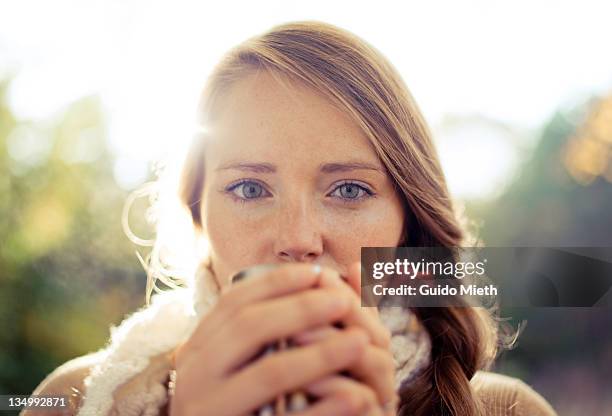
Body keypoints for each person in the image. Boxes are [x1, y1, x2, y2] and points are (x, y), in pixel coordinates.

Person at [24, 20, 558, 416]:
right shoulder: (73, 399)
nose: (298, 240)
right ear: (198, 213)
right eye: (250, 188)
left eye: (349, 189)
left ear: (409, 221)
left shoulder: (507, 410)